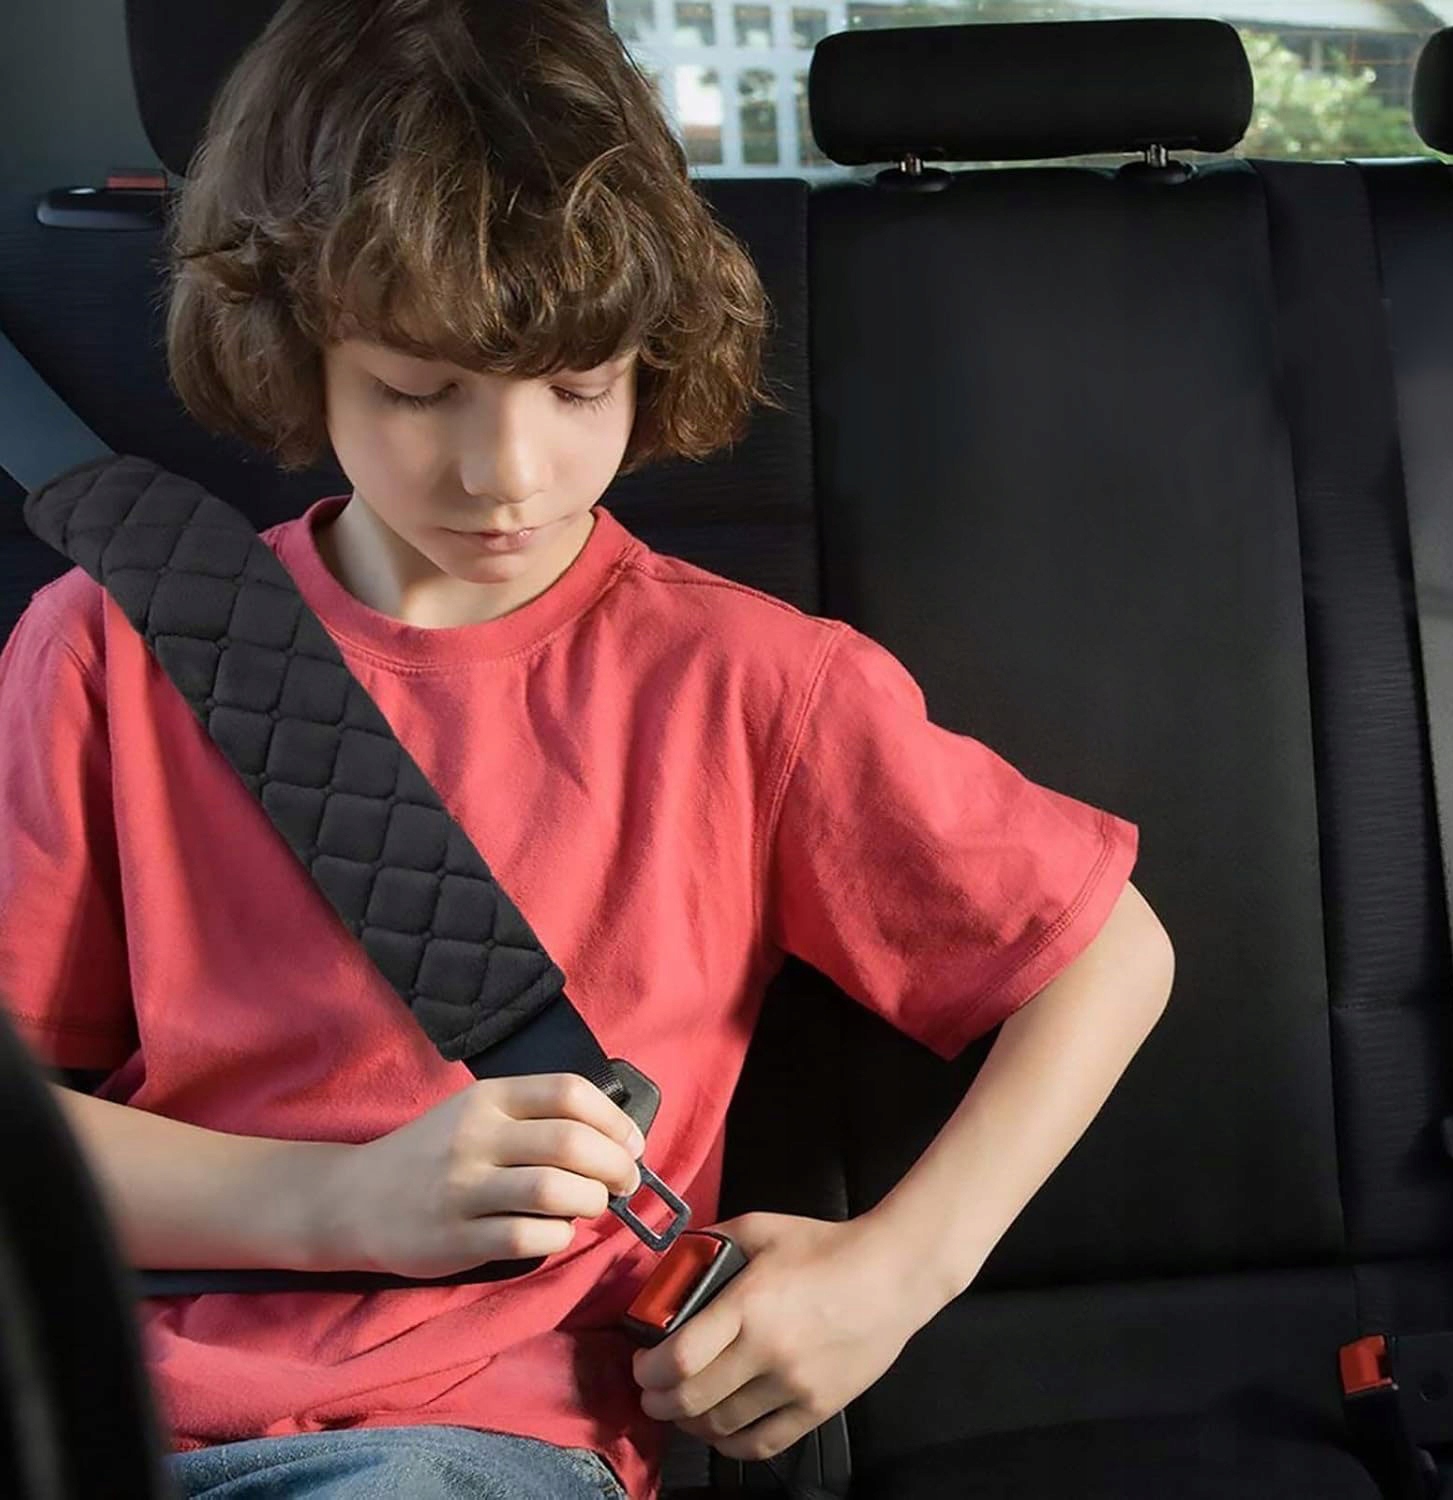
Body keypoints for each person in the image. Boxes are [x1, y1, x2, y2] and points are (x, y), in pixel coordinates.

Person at [0, 1, 1175, 1496]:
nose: (506, 473)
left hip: (466, 1443)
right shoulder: (109, 648)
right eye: (415, 391)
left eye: (577, 390)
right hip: (97, 1403)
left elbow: (1108, 954)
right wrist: (342, 1205)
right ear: (297, 350)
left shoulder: (747, 685)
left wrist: (896, 1273)